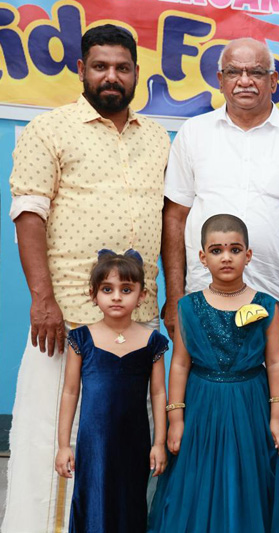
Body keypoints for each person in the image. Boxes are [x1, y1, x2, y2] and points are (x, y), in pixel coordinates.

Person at [4, 24, 170, 532]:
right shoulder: (49, 130)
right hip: (66, 323)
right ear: (81, 70)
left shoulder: (156, 137)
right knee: (50, 443)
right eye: (100, 66)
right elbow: (28, 214)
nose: (111, 77)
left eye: (122, 67)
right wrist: (43, 300)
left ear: (137, 73)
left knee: (127, 448)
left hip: (137, 325)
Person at [161, 37, 279, 338]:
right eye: (233, 72)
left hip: (277, 300)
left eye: (255, 72)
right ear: (220, 80)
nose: (244, 81)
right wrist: (175, 297)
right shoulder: (193, 133)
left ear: (273, 80)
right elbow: (175, 217)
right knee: (203, 371)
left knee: (275, 371)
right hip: (203, 299)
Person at [148, 214, 279, 533]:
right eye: (216, 250)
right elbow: (180, 364)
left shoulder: (267, 305)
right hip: (201, 405)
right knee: (198, 480)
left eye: (235, 249)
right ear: (202, 257)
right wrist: (176, 420)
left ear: (248, 255)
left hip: (251, 405)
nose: (226, 257)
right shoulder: (188, 307)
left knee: (250, 477)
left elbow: (276, 362)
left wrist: (277, 417)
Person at [54, 251, 169, 533]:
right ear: (93, 295)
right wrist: (64, 445)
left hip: (135, 441)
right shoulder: (81, 339)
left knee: (130, 503)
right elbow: (70, 392)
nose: (117, 297)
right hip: (94, 442)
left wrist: (159, 443)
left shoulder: (152, 341)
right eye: (107, 289)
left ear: (141, 296)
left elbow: (158, 394)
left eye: (126, 290)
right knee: (93, 500)